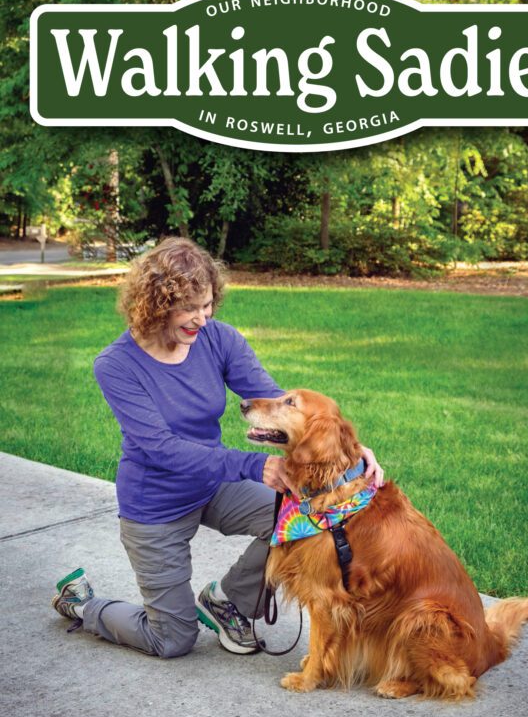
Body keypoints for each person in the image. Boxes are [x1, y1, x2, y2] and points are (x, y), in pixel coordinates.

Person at [51, 237, 383, 658]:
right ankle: (83, 604)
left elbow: (278, 405)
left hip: (213, 486)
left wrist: (347, 449)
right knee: (172, 640)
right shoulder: (116, 365)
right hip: (156, 506)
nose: (201, 319)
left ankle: (229, 601)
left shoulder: (218, 339)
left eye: (207, 305)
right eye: (189, 308)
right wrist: (251, 466)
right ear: (155, 304)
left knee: (308, 516)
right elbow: (159, 448)